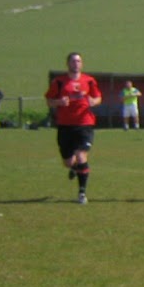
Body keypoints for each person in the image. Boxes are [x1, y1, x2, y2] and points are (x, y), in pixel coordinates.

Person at [45, 52, 102, 203]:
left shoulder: (89, 81)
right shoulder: (59, 82)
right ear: (68, 64)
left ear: (81, 64)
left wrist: (93, 102)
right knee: (68, 162)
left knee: (81, 154)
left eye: (78, 61)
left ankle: (82, 193)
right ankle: (75, 167)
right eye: (73, 61)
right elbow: (49, 100)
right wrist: (59, 102)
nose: (76, 63)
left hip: (85, 124)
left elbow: (98, 98)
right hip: (65, 125)